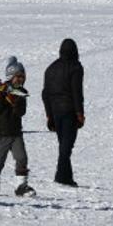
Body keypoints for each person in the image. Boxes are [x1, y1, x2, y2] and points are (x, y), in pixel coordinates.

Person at [42, 38, 85, 187]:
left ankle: (67, 177)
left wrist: (49, 114)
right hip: (69, 111)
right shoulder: (75, 67)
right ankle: (61, 176)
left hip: (55, 111)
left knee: (63, 145)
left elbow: (45, 93)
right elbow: (76, 92)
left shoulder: (51, 68)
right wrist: (79, 113)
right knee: (66, 146)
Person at [0, 56, 34, 196]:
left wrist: (16, 101)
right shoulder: (0, 90)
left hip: (16, 133)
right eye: (18, 77)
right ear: (10, 76)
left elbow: (21, 112)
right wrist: (1, 95)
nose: (20, 80)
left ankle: (22, 186)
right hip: (1, 133)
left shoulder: (21, 93)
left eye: (22, 77)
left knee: (22, 158)